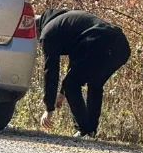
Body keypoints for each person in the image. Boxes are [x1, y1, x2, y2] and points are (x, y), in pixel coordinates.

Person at [37, 8, 131, 138]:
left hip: (99, 41)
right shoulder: (66, 22)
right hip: (121, 46)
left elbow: (51, 70)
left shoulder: (48, 33)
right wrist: (62, 93)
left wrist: (49, 109)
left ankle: (84, 130)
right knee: (95, 82)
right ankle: (90, 131)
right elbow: (75, 61)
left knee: (71, 84)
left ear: (37, 29)